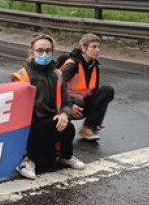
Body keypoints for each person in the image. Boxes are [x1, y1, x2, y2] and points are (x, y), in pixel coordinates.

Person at [11, 34, 86, 180]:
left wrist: (65, 114)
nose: (44, 54)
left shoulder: (57, 74)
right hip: (31, 123)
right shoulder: (22, 75)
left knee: (68, 128)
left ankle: (66, 156)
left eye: (48, 50)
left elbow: (66, 101)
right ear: (32, 52)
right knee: (47, 126)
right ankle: (27, 161)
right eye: (39, 50)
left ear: (52, 52)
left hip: (52, 119)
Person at [59, 33, 115, 141]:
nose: (97, 50)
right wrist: (69, 106)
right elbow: (57, 87)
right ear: (84, 48)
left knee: (107, 90)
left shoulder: (94, 66)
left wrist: (97, 116)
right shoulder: (72, 64)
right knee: (79, 102)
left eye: (98, 47)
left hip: (82, 104)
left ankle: (88, 128)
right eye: (94, 47)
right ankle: (61, 130)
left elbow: (94, 92)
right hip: (65, 105)